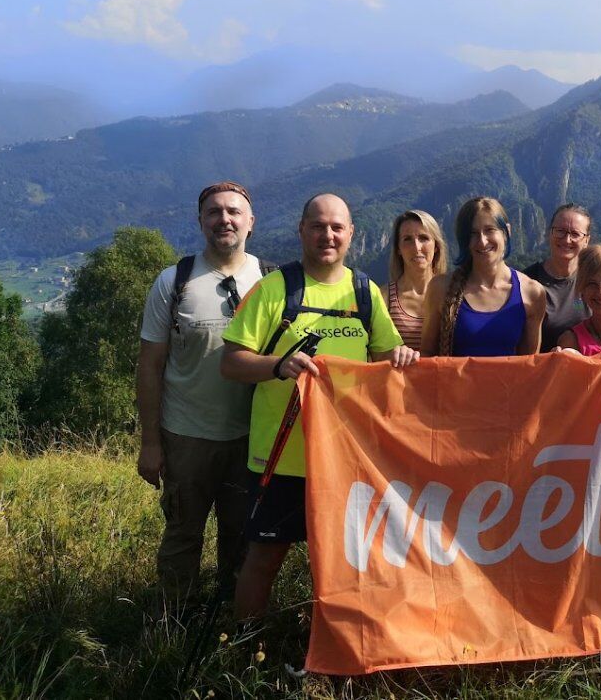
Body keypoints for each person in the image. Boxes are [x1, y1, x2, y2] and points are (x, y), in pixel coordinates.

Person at [220, 193, 418, 621]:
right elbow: (231, 362)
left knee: (344, 566)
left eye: (336, 227)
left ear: (351, 234)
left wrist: (401, 356)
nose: (327, 235)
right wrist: (277, 365)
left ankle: (333, 654)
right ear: (302, 231)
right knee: (264, 559)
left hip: (345, 459)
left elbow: (387, 354)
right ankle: (241, 650)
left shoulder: (364, 293)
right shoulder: (274, 290)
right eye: (318, 226)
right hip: (280, 457)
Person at [135, 180, 264, 612]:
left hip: (251, 439)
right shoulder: (174, 283)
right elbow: (150, 366)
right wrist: (150, 443)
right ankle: (175, 622)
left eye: (233, 212)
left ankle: (231, 620)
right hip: (186, 436)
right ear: (201, 221)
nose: (224, 219)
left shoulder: (271, 283)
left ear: (251, 222)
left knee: (241, 535)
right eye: (214, 212)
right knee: (182, 535)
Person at [420, 196, 546, 357]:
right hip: (453, 383)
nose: (482, 241)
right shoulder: (440, 288)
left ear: (507, 231)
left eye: (489, 230)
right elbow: (427, 353)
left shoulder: (532, 293)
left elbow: (530, 365)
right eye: (473, 234)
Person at [524, 204, 591, 351]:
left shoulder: (594, 280)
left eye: (575, 234)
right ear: (550, 233)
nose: (567, 240)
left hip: (591, 369)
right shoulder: (527, 282)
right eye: (560, 231)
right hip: (543, 370)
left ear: (586, 240)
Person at [383, 209, 448, 352]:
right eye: (407, 239)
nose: (416, 247)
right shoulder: (384, 298)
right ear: (398, 249)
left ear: (436, 246)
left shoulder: (451, 294)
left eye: (424, 238)